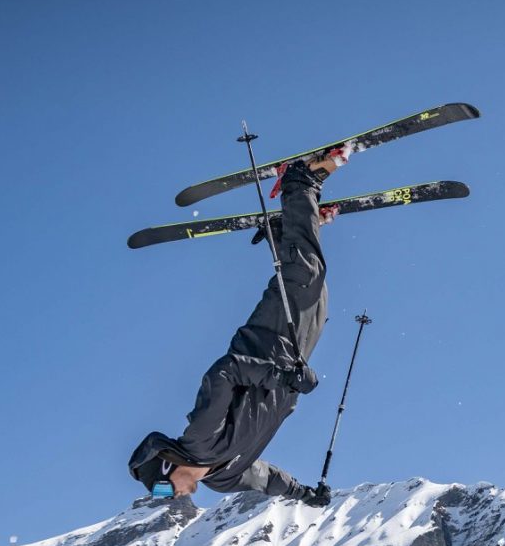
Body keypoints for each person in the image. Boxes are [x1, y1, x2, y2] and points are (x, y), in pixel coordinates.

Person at [129, 149, 346, 506]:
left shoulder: (199, 439)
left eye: (164, 489)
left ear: (166, 467)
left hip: (268, 342)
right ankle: (291, 224)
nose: (173, 495)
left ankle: (299, 181)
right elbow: (267, 478)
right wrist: (305, 494)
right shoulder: (224, 477)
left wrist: (281, 378)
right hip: (294, 360)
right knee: (317, 292)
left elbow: (224, 374)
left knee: (305, 274)